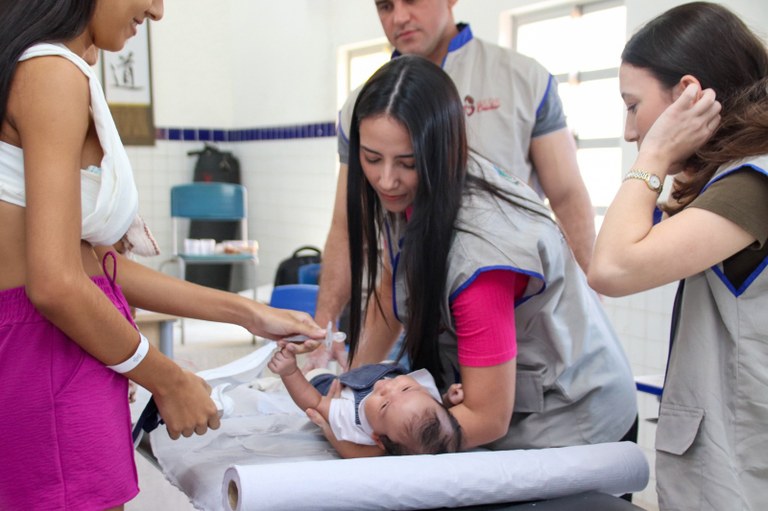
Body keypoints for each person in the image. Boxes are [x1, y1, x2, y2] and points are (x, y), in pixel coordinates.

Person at [0, 1, 325, 509]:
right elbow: (57, 283)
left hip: (76, 343)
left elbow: (98, 265)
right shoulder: (51, 73)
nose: (157, 11)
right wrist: (164, 377)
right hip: (50, 352)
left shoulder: (49, 69)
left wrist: (247, 313)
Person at [314, 54, 636, 454]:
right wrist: (352, 382)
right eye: (372, 158)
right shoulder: (415, 192)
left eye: (407, 163)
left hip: (571, 424)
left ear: (440, 150)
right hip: (505, 403)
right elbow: (392, 285)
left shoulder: (479, 257)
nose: (386, 179)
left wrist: (373, 448)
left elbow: (486, 417)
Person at [306, 0, 595, 371]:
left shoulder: (521, 78)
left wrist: (592, 296)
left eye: (412, 1)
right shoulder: (364, 105)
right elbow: (349, 227)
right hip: (420, 324)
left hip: (513, 318)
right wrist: (322, 331)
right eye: (385, 6)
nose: (399, 18)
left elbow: (567, 195)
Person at [587, 3, 768, 510]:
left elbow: (612, 267)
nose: (628, 130)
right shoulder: (733, 180)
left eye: (632, 105)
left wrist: (654, 156)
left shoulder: (752, 185)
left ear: (687, 93)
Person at [268, 342, 463, 458]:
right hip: (374, 369)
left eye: (384, 404)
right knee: (389, 368)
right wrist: (447, 399)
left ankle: (311, 374)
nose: (388, 386)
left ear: (377, 438)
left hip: (333, 390)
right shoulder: (425, 403)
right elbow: (437, 410)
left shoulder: (356, 424)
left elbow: (315, 403)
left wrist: (290, 372)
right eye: (405, 388)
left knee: (316, 376)